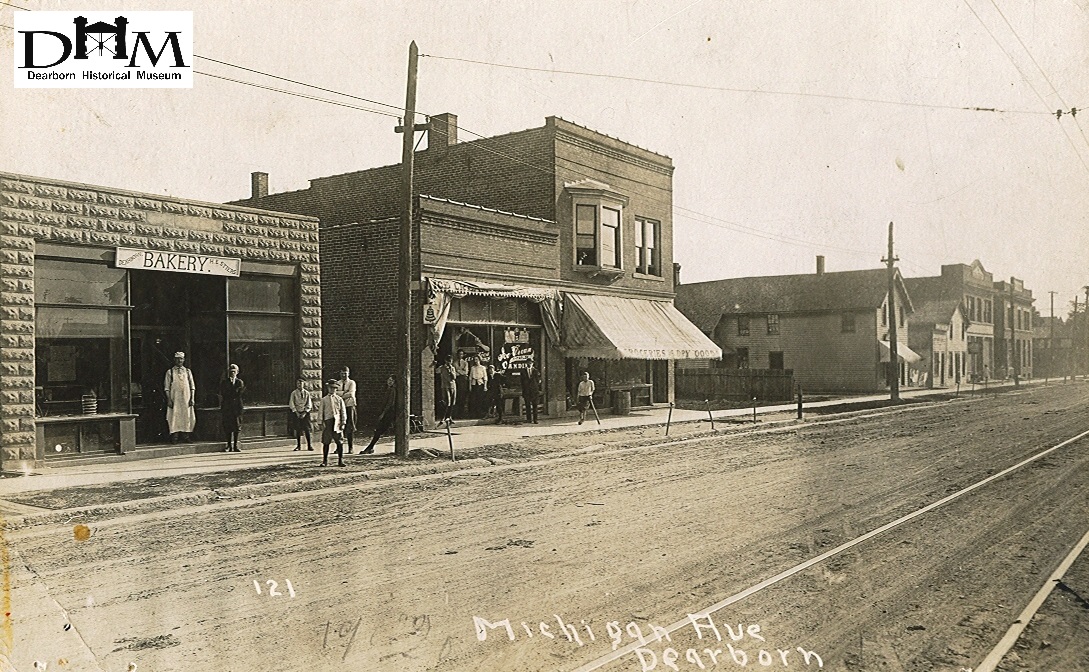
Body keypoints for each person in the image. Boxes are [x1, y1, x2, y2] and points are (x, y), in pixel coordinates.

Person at [164, 351, 196, 443]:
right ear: (174, 360)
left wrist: (192, 398)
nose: (179, 361)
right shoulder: (170, 372)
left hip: (186, 398)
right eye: (177, 359)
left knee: (187, 416)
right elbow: (167, 388)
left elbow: (192, 386)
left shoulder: (187, 371)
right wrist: (169, 399)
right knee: (175, 416)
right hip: (175, 398)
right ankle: (175, 437)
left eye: (181, 359)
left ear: (184, 360)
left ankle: (186, 436)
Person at [362, 375, 396, 454]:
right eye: (389, 380)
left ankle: (370, 447)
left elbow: (390, 404)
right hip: (386, 413)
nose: (389, 382)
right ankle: (370, 447)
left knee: (379, 430)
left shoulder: (392, 390)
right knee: (378, 431)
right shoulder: (388, 390)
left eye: (391, 381)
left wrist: (383, 414)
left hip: (388, 414)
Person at [319, 379, 347, 467]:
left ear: (336, 389)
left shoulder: (339, 399)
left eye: (334, 388)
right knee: (326, 442)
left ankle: (340, 460)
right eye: (330, 388)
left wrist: (343, 422)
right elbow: (321, 411)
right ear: (328, 388)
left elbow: (343, 411)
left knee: (339, 441)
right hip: (328, 421)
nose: (332, 389)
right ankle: (325, 460)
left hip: (337, 422)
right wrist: (320, 422)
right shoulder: (324, 399)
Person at [219, 364, 245, 452]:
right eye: (231, 371)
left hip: (237, 407)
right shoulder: (224, 382)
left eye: (234, 371)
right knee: (228, 426)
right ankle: (229, 445)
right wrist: (232, 391)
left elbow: (238, 393)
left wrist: (232, 391)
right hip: (227, 407)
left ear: (237, 372)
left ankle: (236, 445)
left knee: (237, 426)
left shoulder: (239, 382)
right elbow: (224, 393)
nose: (232, 373)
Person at [289, 377, 314, 451]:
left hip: (305, 413)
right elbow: (291, 403)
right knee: (298, 429)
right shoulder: (294, 393)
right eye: (298, 384)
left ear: (304, 384)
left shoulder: (307, 393)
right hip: (297, 413)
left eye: (301, 384)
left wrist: (305, 412)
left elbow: (309, 404)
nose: (299, 385)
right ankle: (298, 446)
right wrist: (296, 412)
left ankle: (309, 445)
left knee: (307, 429)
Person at [338, 367, 358, 453]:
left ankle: (350, 447)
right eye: (342, 373)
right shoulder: (338, 383)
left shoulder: (351, 383)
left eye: (345, 373)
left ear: (348, 373)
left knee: (350, 427)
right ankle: (339, 447)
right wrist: (344, 393)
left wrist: (340, 394)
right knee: (339, 426)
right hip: (340, 407)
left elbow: (351, 394)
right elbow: (335, 393)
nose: (343, 375)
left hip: (349, 406)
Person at [438, 356, 457, 425]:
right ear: (445, 361)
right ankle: (443, 417)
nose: (449, 363)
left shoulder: (452, 368)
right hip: (445, 386)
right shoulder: (442, 368)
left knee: (452, 402)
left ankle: (449, 417)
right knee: (446, 402)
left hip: (452, 386)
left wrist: (450, 371)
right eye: (448, 361)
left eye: (450, 361)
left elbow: (454, 377)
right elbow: (436, 371)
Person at [454, 351, 470, 416]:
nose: (460, 355)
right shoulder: (454, 363)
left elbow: (465, 372)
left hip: (463, 381)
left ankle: (462, 412)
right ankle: (457, 413)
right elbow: (454, 372)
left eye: (461, 354)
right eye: (459, 354)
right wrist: (460, 371)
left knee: (463, 395)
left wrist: (458, 371)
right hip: (457, 380)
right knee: (457, 396)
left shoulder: (465, 363)